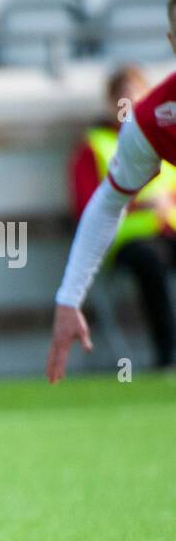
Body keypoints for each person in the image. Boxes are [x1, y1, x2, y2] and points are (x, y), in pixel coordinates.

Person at [49, 0, 176, 382]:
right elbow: (106, 203)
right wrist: (69, 298)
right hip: (139, 243)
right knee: (148, 263)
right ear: (172, 40)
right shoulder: (153, 119)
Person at [64, 65, 176, 371]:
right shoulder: (95, 145)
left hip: (168, 230)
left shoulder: (161, 129)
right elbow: (91, 205)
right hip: (127, 240)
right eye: (122, 97)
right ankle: (167, 356)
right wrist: (140, 205)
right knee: (149, 263)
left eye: (136, 94)